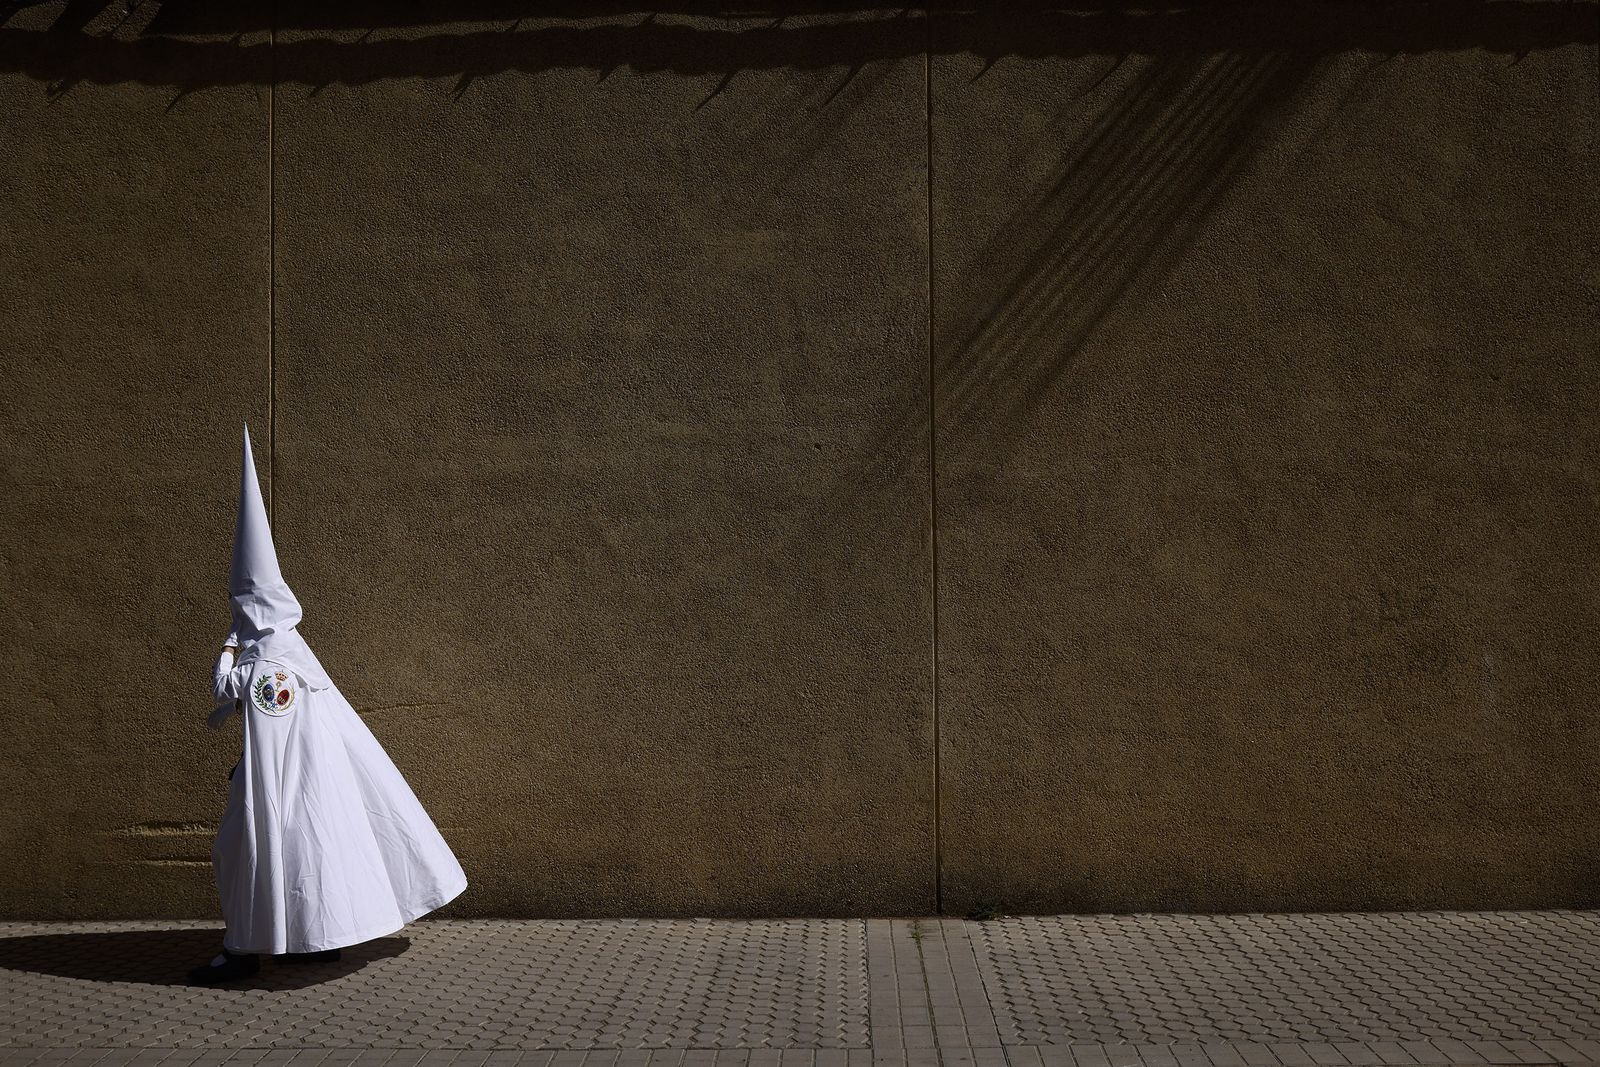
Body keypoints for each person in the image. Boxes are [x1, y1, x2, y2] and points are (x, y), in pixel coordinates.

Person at [189, 426, 468, 985]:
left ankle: (247, 950)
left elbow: (225, 691)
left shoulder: (265, 665)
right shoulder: (294, 656)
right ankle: (313, 941)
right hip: (306, 782)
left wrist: (227, 644)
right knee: (306, 854)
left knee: (244, 851)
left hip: (275, 788)